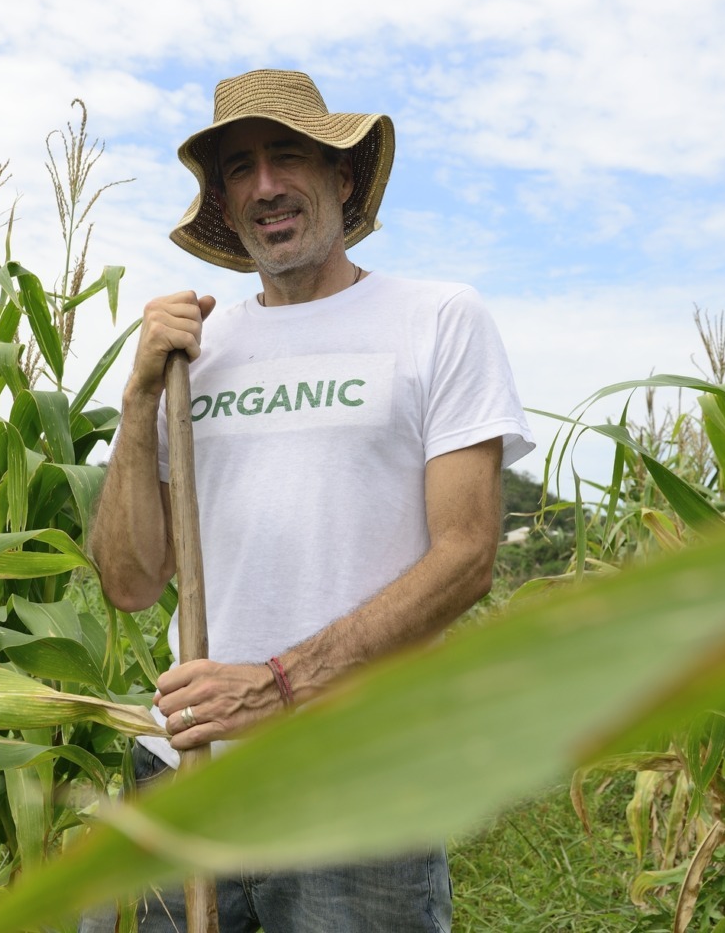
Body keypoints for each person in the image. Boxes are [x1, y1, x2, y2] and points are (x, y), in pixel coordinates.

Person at [87, 69, 534, 932]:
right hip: (186, 776)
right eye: (240, 168)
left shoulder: (438, 319)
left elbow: (466, 556)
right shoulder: (192, 355)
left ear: (343, 176)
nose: (265, 185)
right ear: (225, 205)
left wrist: (278, 686)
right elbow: (130, 582)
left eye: (287, 156)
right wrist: (138, 399)